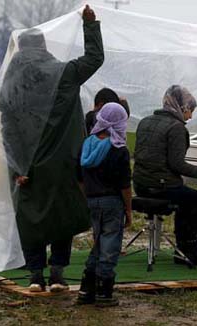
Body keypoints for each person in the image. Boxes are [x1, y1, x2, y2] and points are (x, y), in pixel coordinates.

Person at [0, 5, 104, 292]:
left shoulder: (12, 82)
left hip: (29, 164)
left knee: (31, 218)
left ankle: (35, 275)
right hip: (66, 163)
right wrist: (90, 25)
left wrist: (17, 167)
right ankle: (57, 274)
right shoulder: (64, 73)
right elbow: (95, 58)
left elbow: (8, 128)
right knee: (63, 215)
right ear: (44, 46)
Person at [133, 85, 197, 265]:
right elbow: (176, 164)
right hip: (160, 187)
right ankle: (189, 251)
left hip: (140, 185)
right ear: (182, 107)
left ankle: (182, 248)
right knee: (194, 199)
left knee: (185, 195)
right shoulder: (177, 128)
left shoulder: (145, 121)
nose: (191, 116)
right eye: (190, 111)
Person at [76, 103, 132, 307]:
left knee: (99, 243)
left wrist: (88, 198)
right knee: (110, 246)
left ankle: (85, 290)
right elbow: (125, 185)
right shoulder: (119, 149)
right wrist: (128, 209)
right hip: (112, 202)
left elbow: (79, 177)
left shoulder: (87, 144)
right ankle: (103, 292)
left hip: (92, 200)